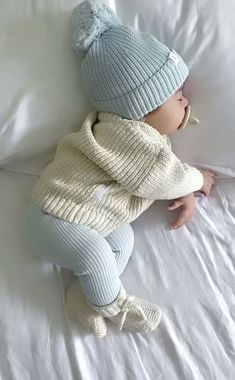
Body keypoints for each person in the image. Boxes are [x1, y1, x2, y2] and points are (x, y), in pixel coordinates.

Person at [24, 0, 216, 337]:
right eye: (177, 97)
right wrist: (201, 180)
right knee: (95, 252)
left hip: (89, 218)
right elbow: (161, 177)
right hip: (54, 217)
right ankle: (116, 307)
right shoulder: (125, 134)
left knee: (122, 239)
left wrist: (183, 188)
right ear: (143, 108)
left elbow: (159, 174)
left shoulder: (142, 139)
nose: (186, 102)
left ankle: (85, 298)